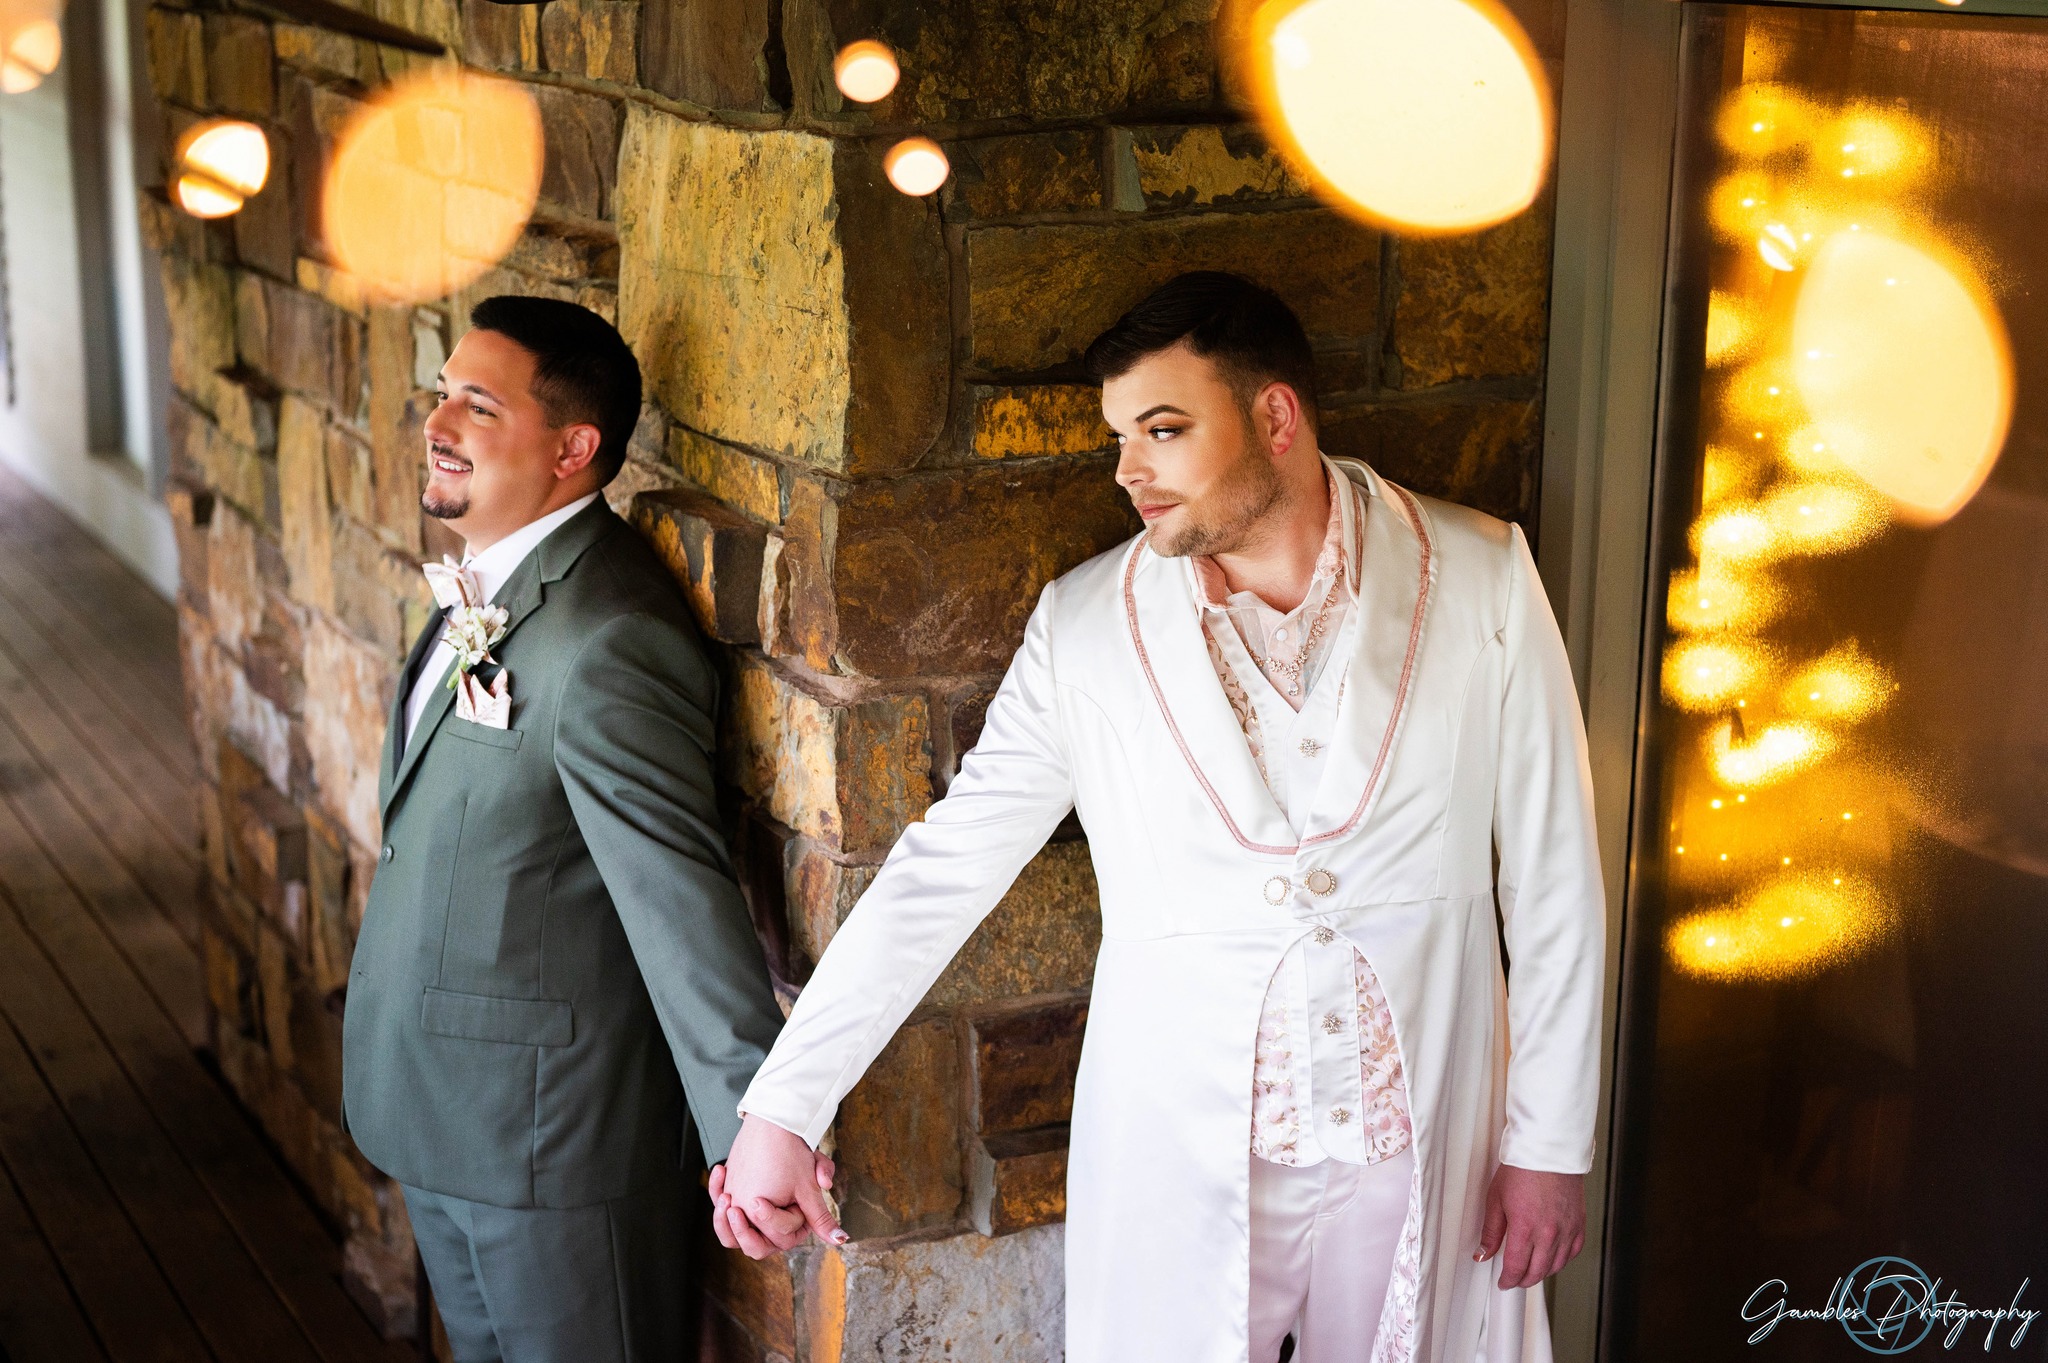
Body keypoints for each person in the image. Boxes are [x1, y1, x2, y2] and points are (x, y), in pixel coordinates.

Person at [714, 273, 1605, 1363]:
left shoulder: (1479, 576)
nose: (1128, 469)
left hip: (1426, 1140)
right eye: (1118, 436)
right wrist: (783, 1107)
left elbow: (1554, 879)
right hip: (1186, 1157)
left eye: (1163, 429)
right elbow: (943, 868)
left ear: (1275, 416)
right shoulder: (1084, 627)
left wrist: (1548, 1143)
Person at [340, 296, 786, 1363]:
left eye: (477, 405)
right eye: (445, 392)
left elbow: (679, 898)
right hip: (443, 1114)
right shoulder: (491, 584)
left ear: (573, 448)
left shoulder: (611, 637)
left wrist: (750, 1127)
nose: (438, 421)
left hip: (556, 1155)